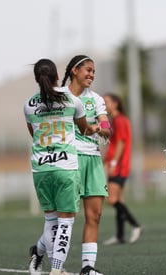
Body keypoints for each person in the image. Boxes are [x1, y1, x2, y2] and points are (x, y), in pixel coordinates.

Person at [24, 58, 99, 275]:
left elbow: (34, 134)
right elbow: (84, 129)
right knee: (65, 224)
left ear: (37, 79)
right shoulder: (72, 100)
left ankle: (45, 261)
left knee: (51, 222)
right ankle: (56, 271)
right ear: (58, 76)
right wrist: (96, 129)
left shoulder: (28, 104)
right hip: (66, 167)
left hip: (41, 168)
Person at [60, 55, 110, 275]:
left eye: (94, 71)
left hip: (93, 159)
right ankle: (48, 258)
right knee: (65, 218)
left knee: (95, 215)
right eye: (88, 70)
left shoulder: (96, 99)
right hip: (68, 160)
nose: (91, 74)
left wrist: (100, 128)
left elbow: (107, 128)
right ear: (74, 70)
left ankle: (87, 268)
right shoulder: (59, 96)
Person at [102, 93, 142, 245]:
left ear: (116, 103)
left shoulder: (119, 120)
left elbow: (120, 143)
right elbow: (113, 145)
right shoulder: (117, 120)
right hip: (118, 164)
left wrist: (113, 163)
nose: (104, 105)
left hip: (119, 166)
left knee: (111, 200)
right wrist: (104, 161)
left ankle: (136, 225)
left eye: (106, 102)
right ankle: (119, 235)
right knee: (118, 200)